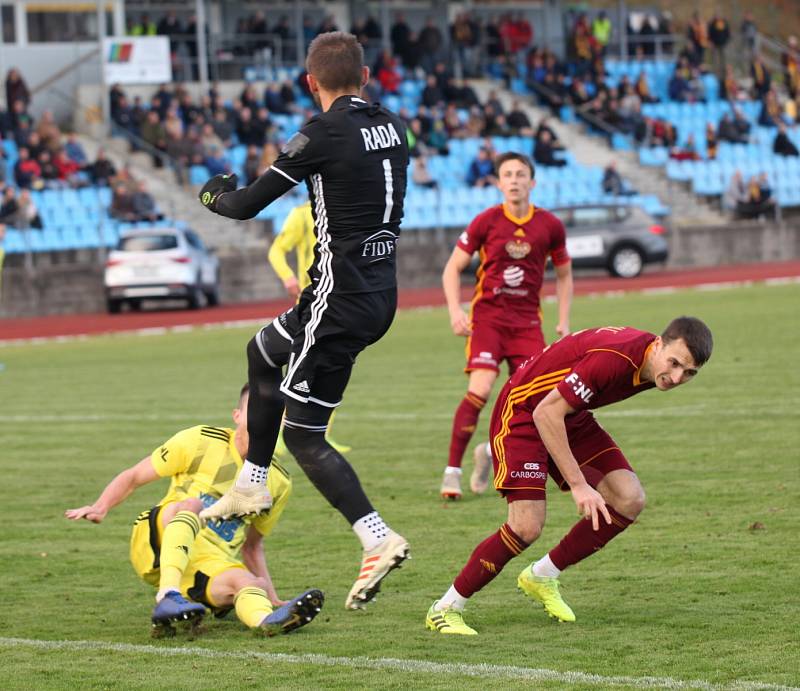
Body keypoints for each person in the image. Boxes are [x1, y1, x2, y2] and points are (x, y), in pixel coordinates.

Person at [197, 31, 410, 611]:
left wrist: (211, 194)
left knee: (305, 432)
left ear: (310, 82)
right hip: (378, 290)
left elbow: (243, 206)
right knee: (262, 352)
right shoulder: (393, 124)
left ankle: (377, 537)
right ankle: (252, 482)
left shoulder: (319, 134)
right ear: (364, 78)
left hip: (336, 299)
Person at [426, 317, 713, 634]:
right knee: (526, 526)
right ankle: (445, 608)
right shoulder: (615, 359)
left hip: (569, 415)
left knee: (629, 499)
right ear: (658, 344)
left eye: (688, 373)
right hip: (524, 412)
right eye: (673, 364)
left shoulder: (652, 365)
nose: (675, 377)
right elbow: (545, 412)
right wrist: (579, 485)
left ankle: (542, 575)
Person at [65, 384, 324, 636]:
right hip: (158, 538)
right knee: (192, 506)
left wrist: (272, 597)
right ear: (236, 415)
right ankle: (168, 594)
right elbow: (134, 476)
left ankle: (266, 621)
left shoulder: (278, 481)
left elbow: (252, 547)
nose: (262, 418)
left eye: (273, 413)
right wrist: (101, 506)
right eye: (255, 410)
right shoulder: (200, 440)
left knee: (249, 584)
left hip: (206, 563)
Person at [439, 152, 573, 500]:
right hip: (488, 320)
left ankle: (488, 452)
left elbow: (564, 274)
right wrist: (456, 311)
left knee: (537, 400)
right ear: (498, 183)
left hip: (528, 324)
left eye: (520, 174)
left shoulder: (550, 225)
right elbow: (452, 268)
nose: (514, 180)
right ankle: (452, 472)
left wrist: (563, 319)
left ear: (532, 182)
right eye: (507, 174)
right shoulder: (485, 221)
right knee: (481, 388)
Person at [267, 199, 353, 455]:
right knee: (299, 368)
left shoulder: (346, 208)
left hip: (340, 302)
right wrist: (287, 276)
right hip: (312, 302)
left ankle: (322, 434)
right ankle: (281, 433)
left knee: (335, 366)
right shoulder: (302, 214)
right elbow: (276, 251)